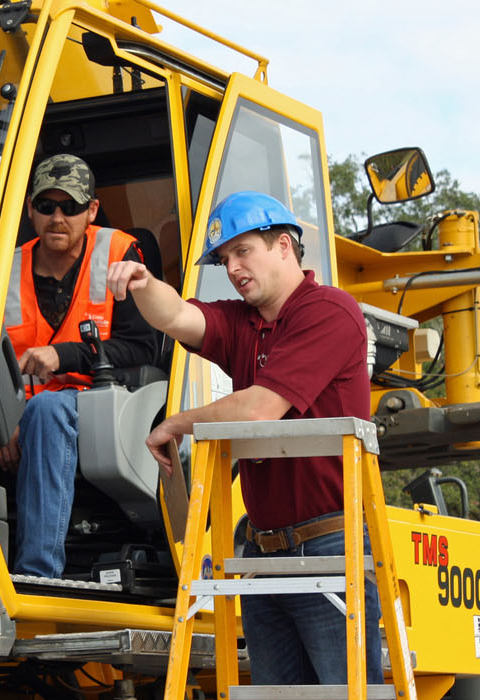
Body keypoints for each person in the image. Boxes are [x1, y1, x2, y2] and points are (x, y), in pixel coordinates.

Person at [105, 190, 380, 685]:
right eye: (225, 260)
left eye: (242, 251)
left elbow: (259, 408)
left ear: (283, 246)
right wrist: (145, 282)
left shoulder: (330, 311)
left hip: (329, 547)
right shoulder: (244, 323)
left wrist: (174, 422)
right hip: (263, 550)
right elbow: (174, 316)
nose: (232, 269)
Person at [1, 154, 158, 579]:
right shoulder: (3, 269)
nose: (57, 217)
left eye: (69, 207)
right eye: (46, 206)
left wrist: (65, 355)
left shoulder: (121, 252)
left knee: (48, 411)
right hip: (21, 415)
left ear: (91, 210)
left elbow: (142, 348)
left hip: (107, 404)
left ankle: (38, 573)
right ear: (30, 209)